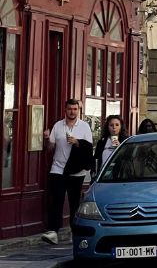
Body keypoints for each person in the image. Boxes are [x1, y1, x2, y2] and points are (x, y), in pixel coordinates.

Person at [41, 99, 94, 244]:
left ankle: (74, 230)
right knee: (56, 199)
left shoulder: (84, 127)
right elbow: (50, 148)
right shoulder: (58, 125)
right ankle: (53, 231)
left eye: (75, 109)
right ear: (65, 110)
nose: (72, 112)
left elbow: (89, 149)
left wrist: (77, 142)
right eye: (70, 109)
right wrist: (47, 139)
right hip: (58, 169)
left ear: (78, 110)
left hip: (76, 171)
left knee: (74, 202)